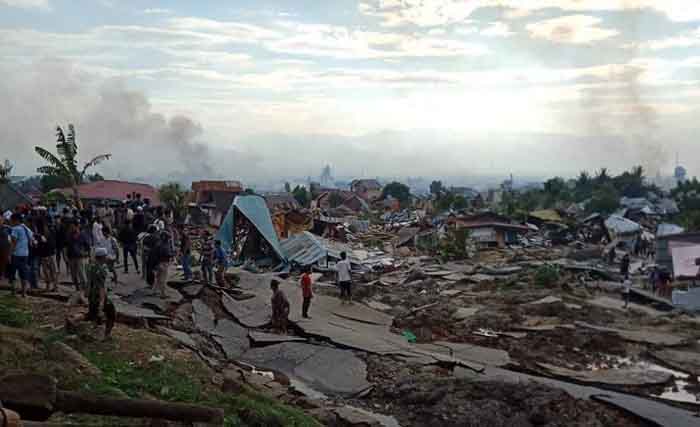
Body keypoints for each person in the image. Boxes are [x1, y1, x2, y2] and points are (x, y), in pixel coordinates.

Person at [86, 247, 116, 340]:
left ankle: (93, 334)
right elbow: (101, 287)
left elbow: (89, 282)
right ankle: (106, 335)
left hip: (91, 294)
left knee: (94, 315)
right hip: (99, 295)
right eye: (105, 256)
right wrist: (102, 302)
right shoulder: (101, 270)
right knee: (111, 313)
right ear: (103, 257)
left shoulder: (90, 266)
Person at [9, 214, 33, 297]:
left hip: (16, 254)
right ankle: (24, 293)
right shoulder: (26, 228)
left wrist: (9, 254)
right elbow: (31, 240)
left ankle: (13, 291)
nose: (10, 222)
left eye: (11, 220)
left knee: (12, 273)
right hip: (25, 254)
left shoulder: (15, 229)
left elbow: (13, 243)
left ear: (16, 220)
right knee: (23, 273)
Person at [37, 222, 59, 291]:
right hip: (46, 255)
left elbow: (51, 245)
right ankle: (50, 286)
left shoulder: (48, 234)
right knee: (47, 272)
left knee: (51, 271)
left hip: (49, 255)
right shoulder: (43, 234)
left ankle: (54, 286)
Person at [153, 231, 172, 297]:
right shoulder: (164, 245)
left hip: (158, 262)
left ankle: (154, 291)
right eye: (168, 238)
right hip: (163, 262)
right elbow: (166, 254)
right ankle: (163, 294)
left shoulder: (158, 243)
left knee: (158, 278)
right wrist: (172, 255)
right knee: (163, 279)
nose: (169, 239)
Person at [0, 216, 11, 282]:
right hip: (3, 247)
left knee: (4, 262)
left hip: (5, 248)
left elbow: (10, 237)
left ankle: (2, 274)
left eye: (1, 220)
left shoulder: (7, 228)